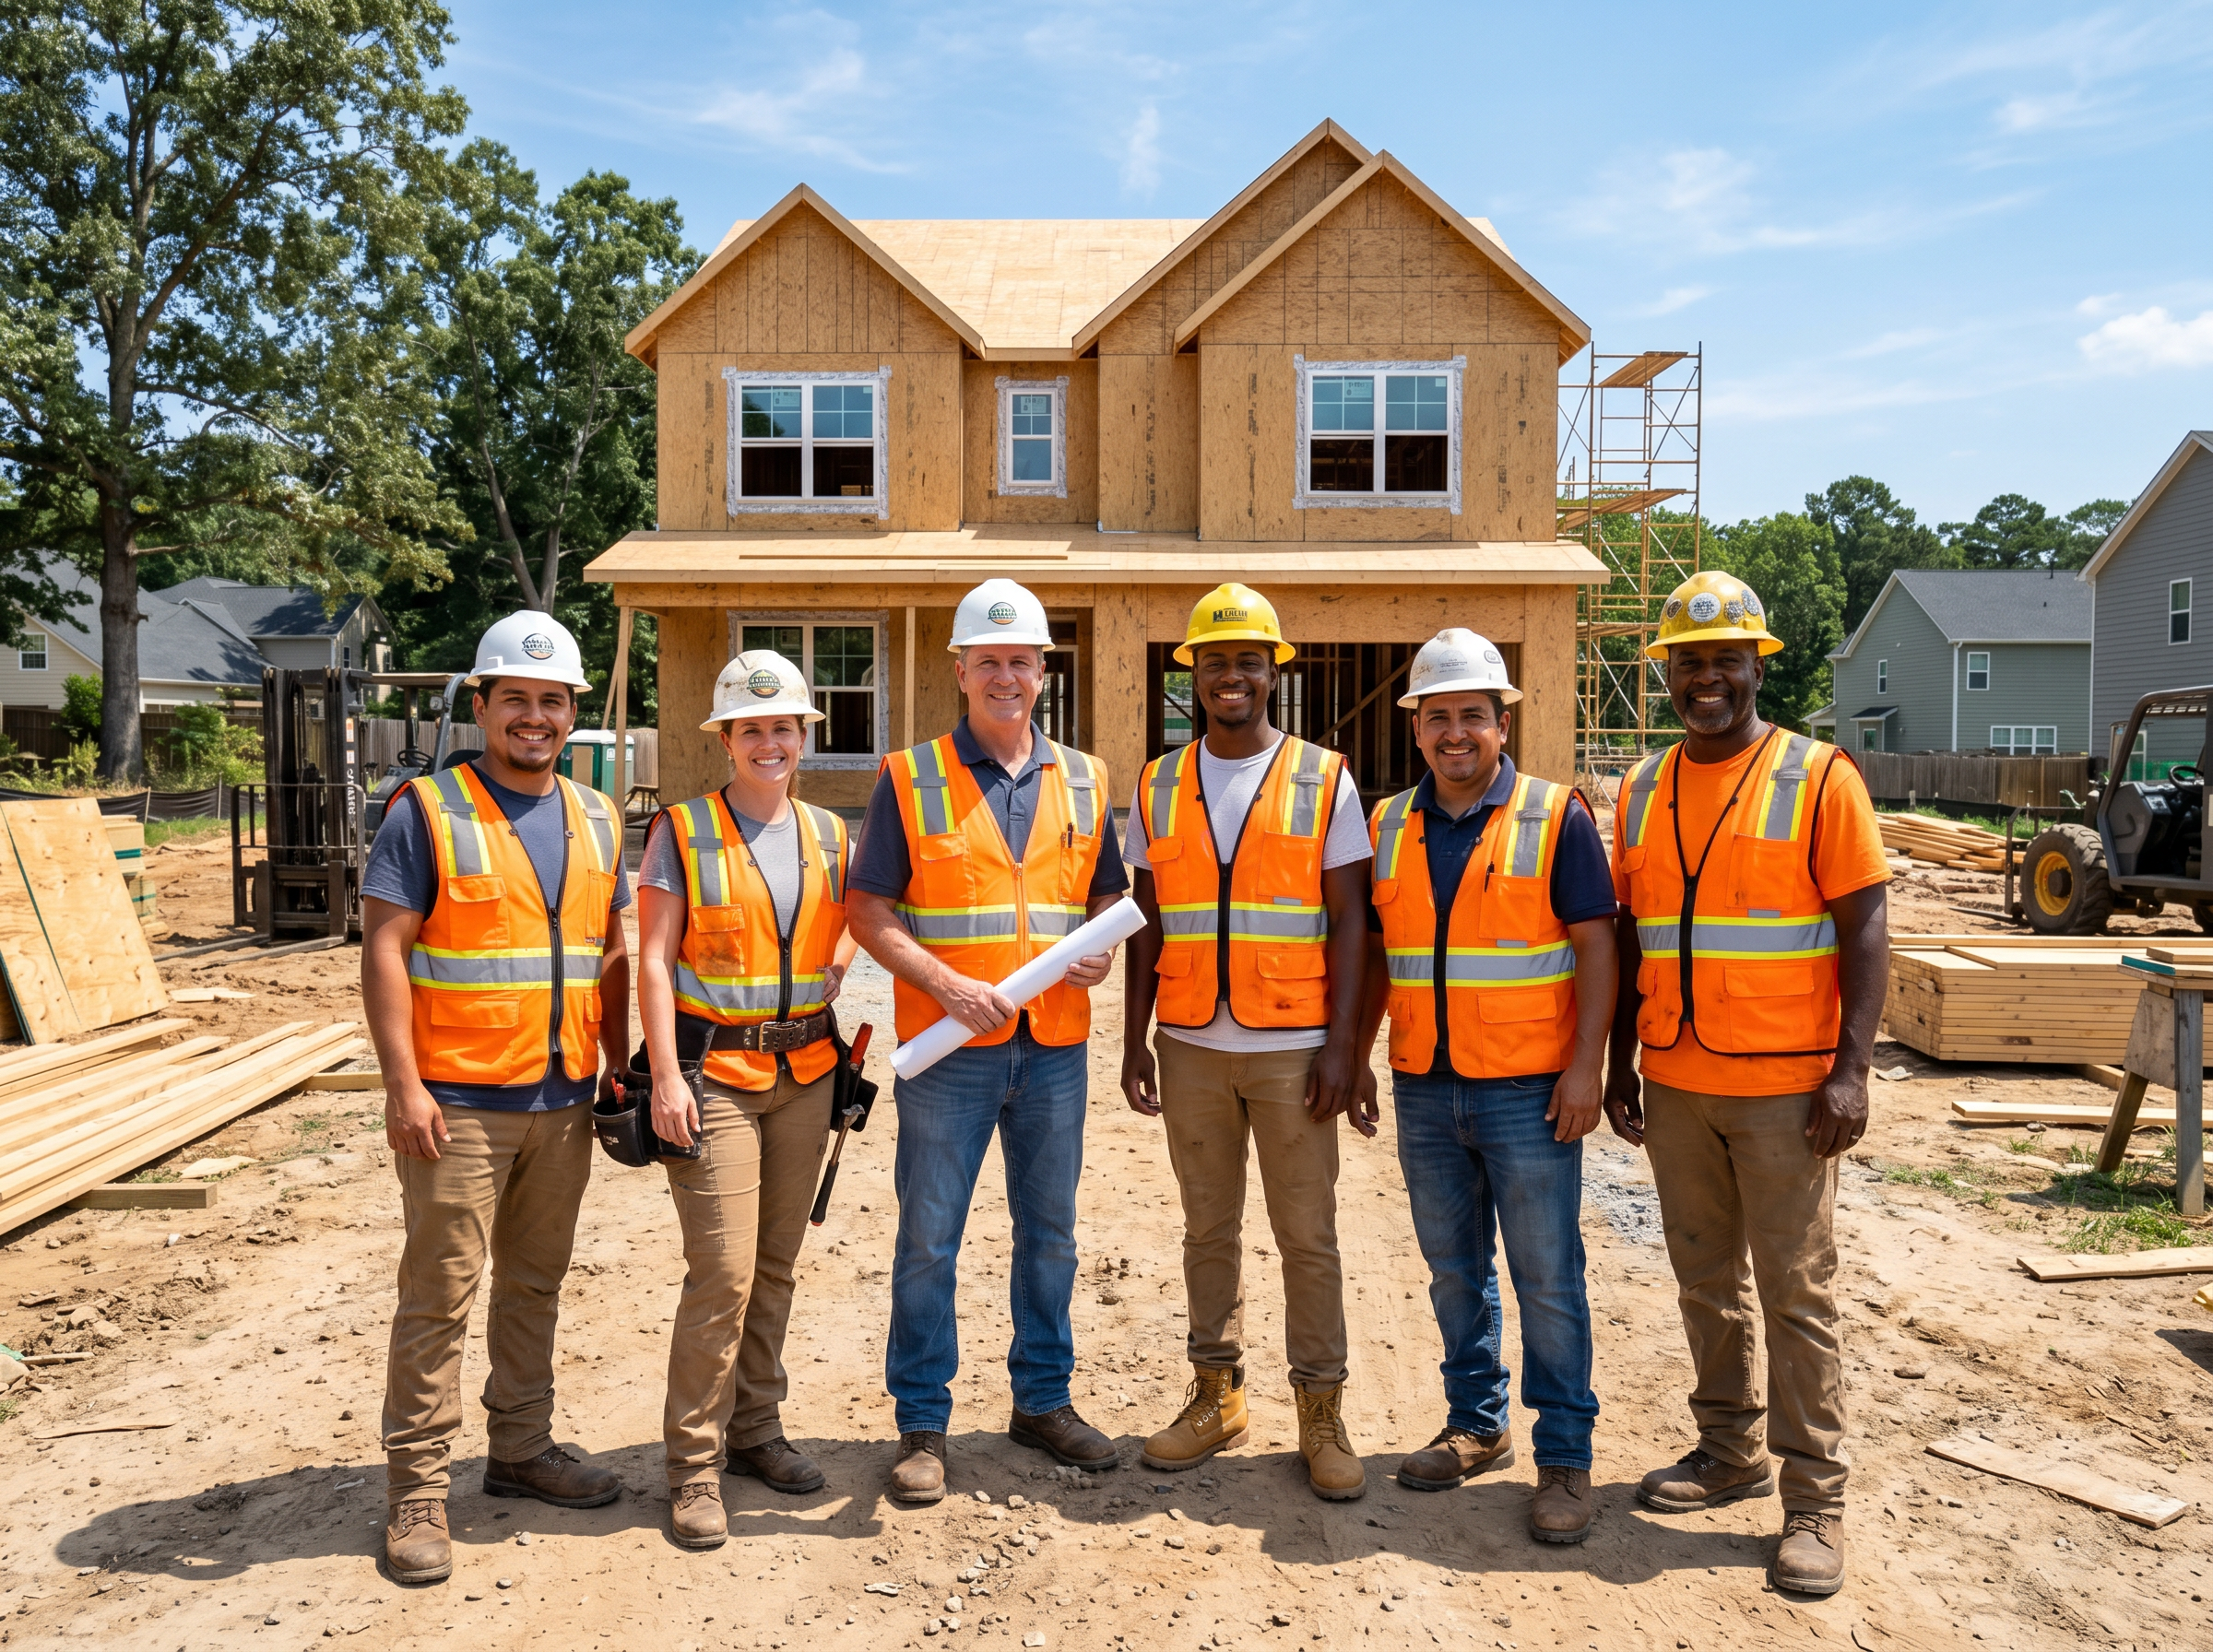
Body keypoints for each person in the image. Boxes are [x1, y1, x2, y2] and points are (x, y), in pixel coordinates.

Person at [1604, 571, 1889, 1598]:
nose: (1707, 678)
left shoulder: (1819, 778)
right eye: (1689, 663)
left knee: (1797, 1293)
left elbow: (1865, 928)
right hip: (1678, 1079)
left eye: (1726, 659)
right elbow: (1634, 932)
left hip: (1786, 1088)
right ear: (1668, 676)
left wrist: (1852, 1069)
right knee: (1703, 1279)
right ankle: (1729, 1451)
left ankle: (1815, 1500)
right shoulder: (1641, 788)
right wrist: (1618, 1065)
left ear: (1757, 664)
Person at [361, 611, 631, 1586]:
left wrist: (620, 1063)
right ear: (482, 704)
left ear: (572, 713)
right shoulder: (425, 811)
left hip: (562, 1099)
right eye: (514, 697)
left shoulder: (599, 815)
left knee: (534, 1282)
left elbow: (609, 955)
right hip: (457, 1101)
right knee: (439, 1292)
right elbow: (384, 948)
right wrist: (403, 1085)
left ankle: (520, 1446)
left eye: (551, 700)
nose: (534, 716)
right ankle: (418, 1488)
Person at [846, 579, 1128, 1504]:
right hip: (946, 1050)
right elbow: (867, 912)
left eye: (1021, 660)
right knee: (931, 1236)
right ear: (960, 669)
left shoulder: (1084, 776)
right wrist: (943, 983)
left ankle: (1042, 1401)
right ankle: (923, 1422)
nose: (1005, 675)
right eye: (989, 661)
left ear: (1043, 671)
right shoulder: (910, 775)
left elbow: (1101, 901)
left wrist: (1095, 960)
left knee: (1050, 1235)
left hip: (1053, 1046)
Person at [1349, 630, 1618, 1543]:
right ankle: (1475, 1423)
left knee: (1547, 1277)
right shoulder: (1390, 824)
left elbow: (1596, 946)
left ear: (1502, 724)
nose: (1455, 733)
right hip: (1426, 1085)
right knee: (1453, 1271)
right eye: (1438, 718)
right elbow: (1383, 958)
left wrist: (1587, 1066)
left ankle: (1567, 1457)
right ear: (1416, 730)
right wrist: (1359, 1058)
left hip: (1530, 1092)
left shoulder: (1555, 817)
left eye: (1473, 715)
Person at [1120, 583, 1372, 1502]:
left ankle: (1322, 1406)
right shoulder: (1156, 781)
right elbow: (1146, 921)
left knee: (1307, 1233)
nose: (1232, 675)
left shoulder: (1323, 776)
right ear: (1192, 674)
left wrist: (1345, 1046)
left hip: (1294, 1047)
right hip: (1189, 1042)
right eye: (1214, 660)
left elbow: (1352, 923)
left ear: (1275, 671)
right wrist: (1135, 1038)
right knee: (1207, 1229)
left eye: (1248, 660)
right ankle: (1216, 1392)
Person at [633, 649, 861, 1549]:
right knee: (722, 1273)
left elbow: (851, 932)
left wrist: (836, 971)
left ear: (804, 736)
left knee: (775, 1268)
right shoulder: (681, 832)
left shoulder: (832, 837)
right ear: (727, 739)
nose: (770, 741)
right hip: (713, 1076)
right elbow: (654, 957)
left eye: (784, 727)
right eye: (752, 728)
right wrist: (659, 1075)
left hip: (806, 1074)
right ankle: (694, 1466)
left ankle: (756, 1429)